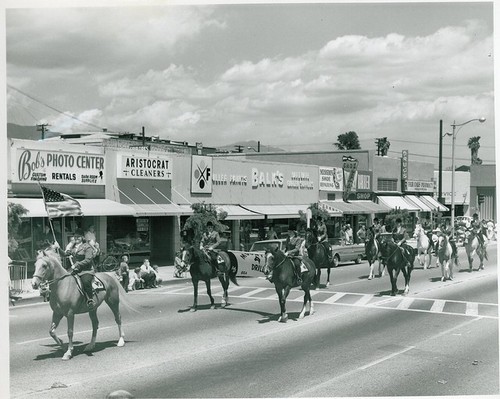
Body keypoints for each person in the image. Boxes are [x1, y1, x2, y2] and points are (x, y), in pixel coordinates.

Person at [65, 228, 96, 309]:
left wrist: (77, 264)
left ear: (82, 237)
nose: (76, 238)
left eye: (78, 237)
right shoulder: (74, 248)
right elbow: (65, 254)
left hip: (86, 270)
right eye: (75, 237)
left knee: (85, 282)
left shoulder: (87, 247)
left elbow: (88, 260)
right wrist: (58, 248)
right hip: (76, 270)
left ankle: (90, 300)